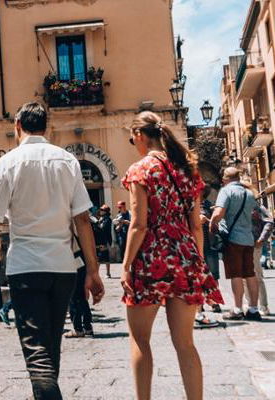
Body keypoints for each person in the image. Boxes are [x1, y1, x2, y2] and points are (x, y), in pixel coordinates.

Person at [0, 102, 104, 400]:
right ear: (48, 126)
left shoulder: (8, 163)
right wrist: (93, 270)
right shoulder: (67, 161)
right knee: (50, 346)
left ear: (17, 125)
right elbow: (83, 220)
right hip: (63, 268)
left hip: (26, 267)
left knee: (36, 351)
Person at [122, 111, 223, 400]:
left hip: (151, 258)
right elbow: (196, 225)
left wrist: (126, 265)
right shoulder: (188, 171)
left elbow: (139, 224)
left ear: (140, 135)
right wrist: (197, 262)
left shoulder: (140, 170)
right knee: (185, 344)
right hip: (185, 257)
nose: (134, 144)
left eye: (132, 139)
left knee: (140, 339)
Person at [211, 167, 262, 321]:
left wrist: (212, 224)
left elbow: (219, 213)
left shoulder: (226, 191)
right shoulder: (249, 193)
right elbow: (255, 214)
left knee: (236, 275)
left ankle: (238, 309)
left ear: (225, 178)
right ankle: (254, 309)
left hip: (233, 239)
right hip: (248, 238)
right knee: (250, 274)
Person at [65, 247, 94, 338]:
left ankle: (78, 329)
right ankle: (87, 327)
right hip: (81, 258)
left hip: (72, 258)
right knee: (81, 295)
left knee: (73, 296)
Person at [251, 202, 273, 315]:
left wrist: (261, 238)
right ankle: (250, 305)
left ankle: (263, 306)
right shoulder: (233, 203)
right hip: (238, 245)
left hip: (254, 245)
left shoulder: (256, 205)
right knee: (244, 278)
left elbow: (269, 221)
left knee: (256, 275)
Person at [94, 204, 114, 278]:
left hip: (104, 241)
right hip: (100, 240)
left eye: (102, 210)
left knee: (104, 257)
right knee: (100, 257)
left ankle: (107, 273)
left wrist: (97, 223)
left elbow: (103, 228)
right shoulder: (102, 218)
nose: (100, 211)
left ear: (106, 211)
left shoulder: (107, 219)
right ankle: (98, 273)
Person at [114, 201, 131, 267]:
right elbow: (117, 229)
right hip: (121, 236)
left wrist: (127, 222)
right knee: (122, 250)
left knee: (130, 250)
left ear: (124, 206)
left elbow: (133, 224)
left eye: (120, 207)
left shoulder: (130, 214)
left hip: (129, 235)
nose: (119, 209)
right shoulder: (118, 215)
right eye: (118, 207)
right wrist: (120, 225)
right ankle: (125, 265)